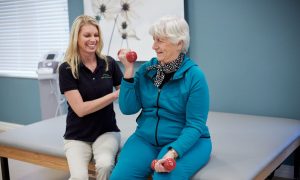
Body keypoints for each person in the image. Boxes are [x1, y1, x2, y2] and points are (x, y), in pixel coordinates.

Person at [110, 15, 212, 180]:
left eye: (160, 41)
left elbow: (195, 125)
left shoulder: (194, 76)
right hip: (145, 139)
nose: (154, 46)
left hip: (186, 142)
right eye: (154, 40)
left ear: (179, 43)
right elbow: (128, 109)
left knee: (163, 178)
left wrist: (172, 153)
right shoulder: (147, 70)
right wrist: (128, 71)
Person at [58, 15, 123, 180]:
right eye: (87, 35)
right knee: (78, 177)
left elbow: (126, 92)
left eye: (96, 35)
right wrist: (114, 95)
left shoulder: (109, 63)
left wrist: (130, 69)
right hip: (77, 135)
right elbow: (80, 110)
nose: (93, 39)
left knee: (105, 165)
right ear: (76, 38)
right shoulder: (67, 68)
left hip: (107, 131)